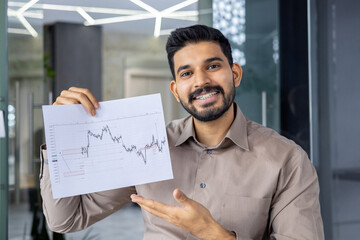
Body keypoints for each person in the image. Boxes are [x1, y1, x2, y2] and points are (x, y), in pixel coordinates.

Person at [40, 25, 324, 240]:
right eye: (187, 73)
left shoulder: (287, 160)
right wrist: (59, 135)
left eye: (212, 66)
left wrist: (215, 235)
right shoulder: (144, 147)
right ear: (176, 90)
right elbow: (67, 220)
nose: (201, 81)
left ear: (235, 74)